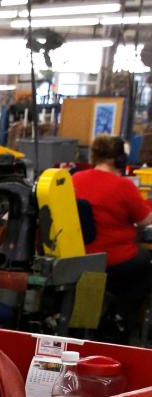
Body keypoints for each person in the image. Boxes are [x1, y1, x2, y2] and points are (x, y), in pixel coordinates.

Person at [72, 134, 152, 340]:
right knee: (147, 263)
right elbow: (145, 219)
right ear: (120, 160)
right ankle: (122, 316)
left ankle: (109, 311)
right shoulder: (123, 186)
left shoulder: (74, 179)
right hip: (114, 258)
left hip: (79, 258)